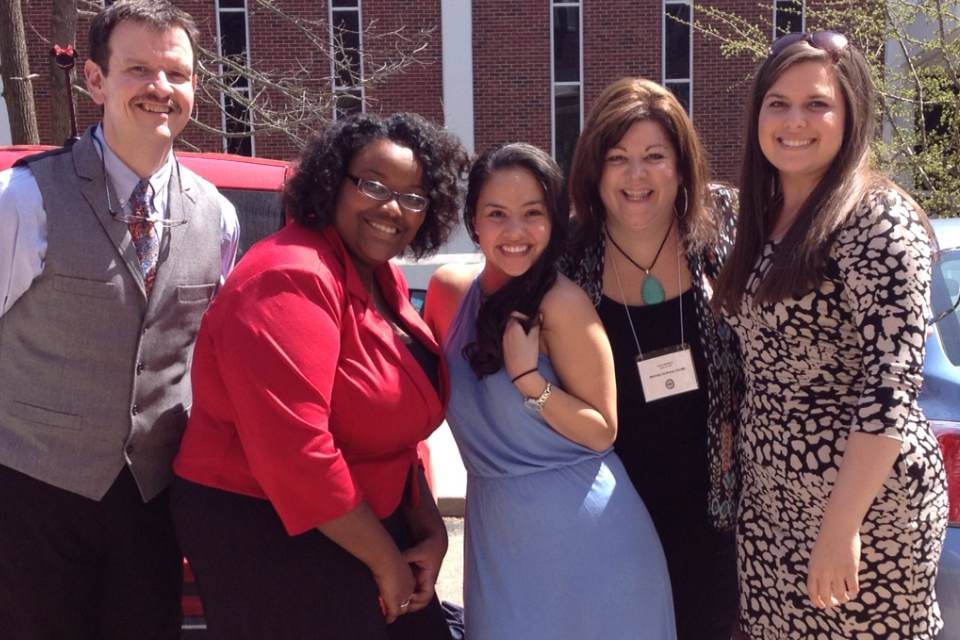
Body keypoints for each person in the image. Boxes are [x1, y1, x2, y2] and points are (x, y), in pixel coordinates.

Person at [171, 111, 467, 640]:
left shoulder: (381, 278)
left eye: (415, 196)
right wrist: (385, 562)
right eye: (373, 185)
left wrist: (429, 530)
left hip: (354, 522)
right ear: (332, 182)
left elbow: (394, 433)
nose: (393, 208)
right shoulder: (288, 277)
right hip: (269, 531)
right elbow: (298, 454)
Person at [0, 1, 239, 637]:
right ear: (96, 80)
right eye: (139, 69)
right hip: (31, 497)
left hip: (151, 503)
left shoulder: (217, 216)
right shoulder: (24, 200)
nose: (162, 89)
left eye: (178, 74)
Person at [712, 31, 948, 639]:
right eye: (778, 103)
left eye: (816, 103)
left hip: (862, 512)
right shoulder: (762, 215)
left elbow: (891, 386)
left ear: (851, 113)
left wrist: (842, 528)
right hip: (770, 504)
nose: (795, 121)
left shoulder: (877, 219)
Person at [424, 142, 676, 640]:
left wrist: (529, 382)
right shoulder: (447, 291)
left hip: (589, 535)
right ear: (473, 220)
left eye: (532, 214)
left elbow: (603, 431)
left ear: (553, 221)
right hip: (497, 530)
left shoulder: (562, 303)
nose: (515, 232)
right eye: (497, 214)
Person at [561, 77, 740, 640]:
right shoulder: (567, 258)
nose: (635, 176)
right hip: (610, 518)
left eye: (654, 157)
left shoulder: (725, 231)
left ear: (682, 166)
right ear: (595, 170)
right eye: (618, 158)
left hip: (715, 514)